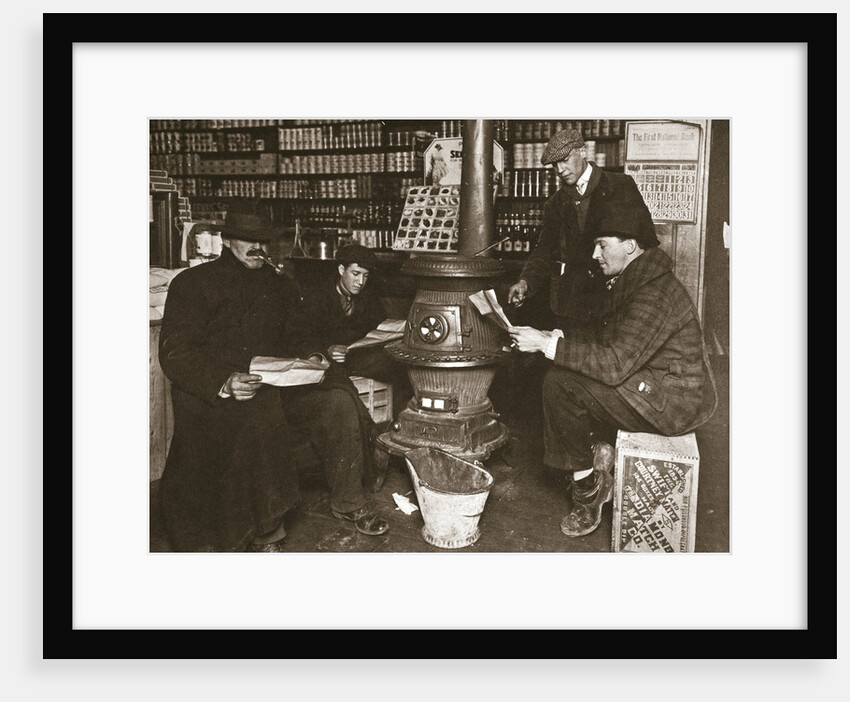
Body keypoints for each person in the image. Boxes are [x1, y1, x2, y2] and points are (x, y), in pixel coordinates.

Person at [157, 199, 389, 553]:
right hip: (219, 391)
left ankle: (348, 503)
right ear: (226, 241)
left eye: (264, 241)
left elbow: (299, 333)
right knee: (259, 411)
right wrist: (225, 380)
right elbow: (176, 353)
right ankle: (268, 532)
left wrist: (313, 354)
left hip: (275, 383)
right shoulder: (193, 283)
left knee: (337, 400)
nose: (258, 248)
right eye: (249, 240)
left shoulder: (279, 284)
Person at [507, 202, 717, 539]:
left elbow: (615, 363)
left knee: (561, 384)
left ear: (630, 246)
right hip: (655, 383)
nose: (594, 254)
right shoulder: (640, 277)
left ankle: (589, 492)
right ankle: (597, 458)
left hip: (672, 403)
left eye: (602, 244)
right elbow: (610, 340)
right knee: (562, 370)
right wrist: (556, 338)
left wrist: (548, 347)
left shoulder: (654, 291)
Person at [507, 127, 657, 323]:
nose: (560, 170)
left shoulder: (620, 186)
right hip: (572, 305)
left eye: (565, 160)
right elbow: (544, 250)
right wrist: (526, 282)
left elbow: (646, 242)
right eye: (554, 165)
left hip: (615, 299)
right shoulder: (555, 203)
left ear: (583, 152)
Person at [298, 243, 412, 419]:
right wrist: (328, 349)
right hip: (330, 361)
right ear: (341, 269)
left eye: (366, 276)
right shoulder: (318, 296)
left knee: (403, 364)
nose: (361, 282)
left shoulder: (368, 296)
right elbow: (303, 335)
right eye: (356, 274)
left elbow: (378, 326)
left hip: (359, 356)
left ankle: (401, 421)